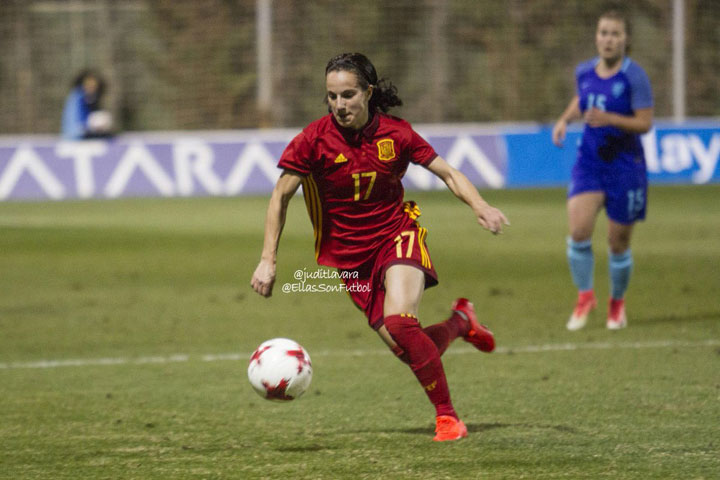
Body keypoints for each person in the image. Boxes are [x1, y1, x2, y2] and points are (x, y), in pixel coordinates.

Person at [251, 53, 509, 442]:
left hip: (396, 236)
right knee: (408, 348)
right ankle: (461, 322)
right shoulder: (312, 140)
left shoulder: (397, 134)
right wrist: (267, 259)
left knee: (401, 324)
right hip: (350, 261)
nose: (339, 105)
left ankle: (448, 419)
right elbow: (279, 197)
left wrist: (481, 205)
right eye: (332, 96)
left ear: (368, 92)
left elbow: (448, 173)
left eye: (348, 94)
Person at [552, 10, 653, 331]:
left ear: (625, 40)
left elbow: (645, 123)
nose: (608, 39)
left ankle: (616, 304)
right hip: (590, 164)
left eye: (615, 34)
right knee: (579, 232)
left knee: (617, 243)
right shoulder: (584, 71)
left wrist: (610, 119)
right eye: (604, 33)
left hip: (626, 167)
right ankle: (585, 297)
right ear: (596, 37)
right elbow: (582, 100)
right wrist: (565, 119)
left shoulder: (634, 77)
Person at [61, 69, 112, 140]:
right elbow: (75, 123)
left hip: (81, 134)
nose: (92, 87)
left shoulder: (91, 98)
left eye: (94, 85)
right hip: (76, 136)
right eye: (89, 84)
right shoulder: (78, 97)